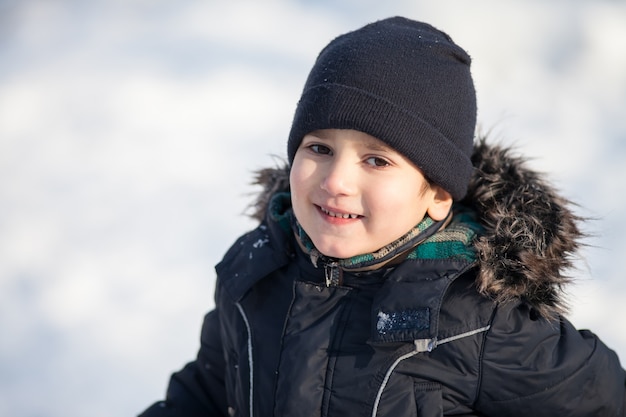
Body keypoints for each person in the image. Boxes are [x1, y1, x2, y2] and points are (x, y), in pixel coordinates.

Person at [139, 16, 626, 416]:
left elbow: (602, 400)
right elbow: (207, 392)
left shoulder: (479, 320)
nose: (335, 181)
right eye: (319, 148)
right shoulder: (257, 274)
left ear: (436, 195)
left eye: (377, 160)